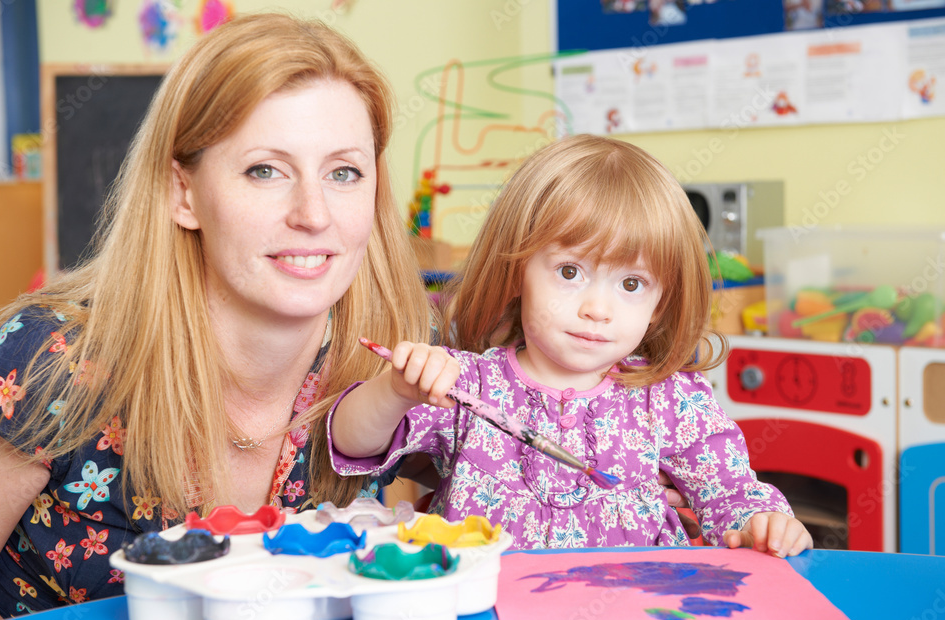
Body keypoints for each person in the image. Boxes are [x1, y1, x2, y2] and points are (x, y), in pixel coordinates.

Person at [0, 12, 434, 620]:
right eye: (265, 170)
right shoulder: (48, 362)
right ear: (184, 193)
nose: (314, 214)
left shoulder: (393, 368)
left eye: (344, 172)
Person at [328, 134, 813, 555]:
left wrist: (763, 524)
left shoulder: (670, 398)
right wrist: (394, 392)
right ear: (516, 272)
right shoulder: (465, 385)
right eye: (569, 272)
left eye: (631, 285)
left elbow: (731, 495)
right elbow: (350, 442)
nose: (597, 309)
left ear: (661, 302)